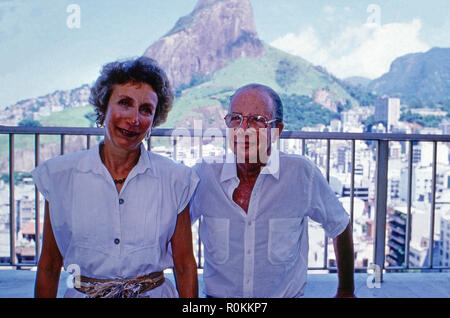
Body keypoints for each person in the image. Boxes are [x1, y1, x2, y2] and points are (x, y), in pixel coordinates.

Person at [32, 56, 199, 298]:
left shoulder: (176, 178)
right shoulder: (59, 177)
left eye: (146, 110)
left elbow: (184, 265)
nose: (134, 119)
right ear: (102, 108)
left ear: (154, 120)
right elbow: (48, 265)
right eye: (124, 103)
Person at [190, 83, 355, 298]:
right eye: (236, 118)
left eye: (257, 120)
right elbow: (172, 229)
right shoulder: (205, 175)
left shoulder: (300, 174)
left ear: (277, 131)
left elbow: (340, 225)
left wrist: (346, 291)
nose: (243, 129)